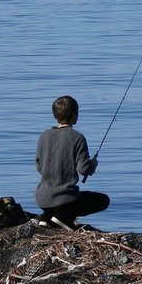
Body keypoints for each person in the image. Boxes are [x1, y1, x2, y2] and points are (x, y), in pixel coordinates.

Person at [34, 95, 110, 227]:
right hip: (65, 200)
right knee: (103, 200)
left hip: (42, 200)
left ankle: (47, 217)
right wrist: (93, 165)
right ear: (74, 114)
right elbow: (84, 170)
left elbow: (39, 167)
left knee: (59, 203)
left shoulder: (43, 136)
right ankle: (64, 218)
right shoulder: (77, 138)